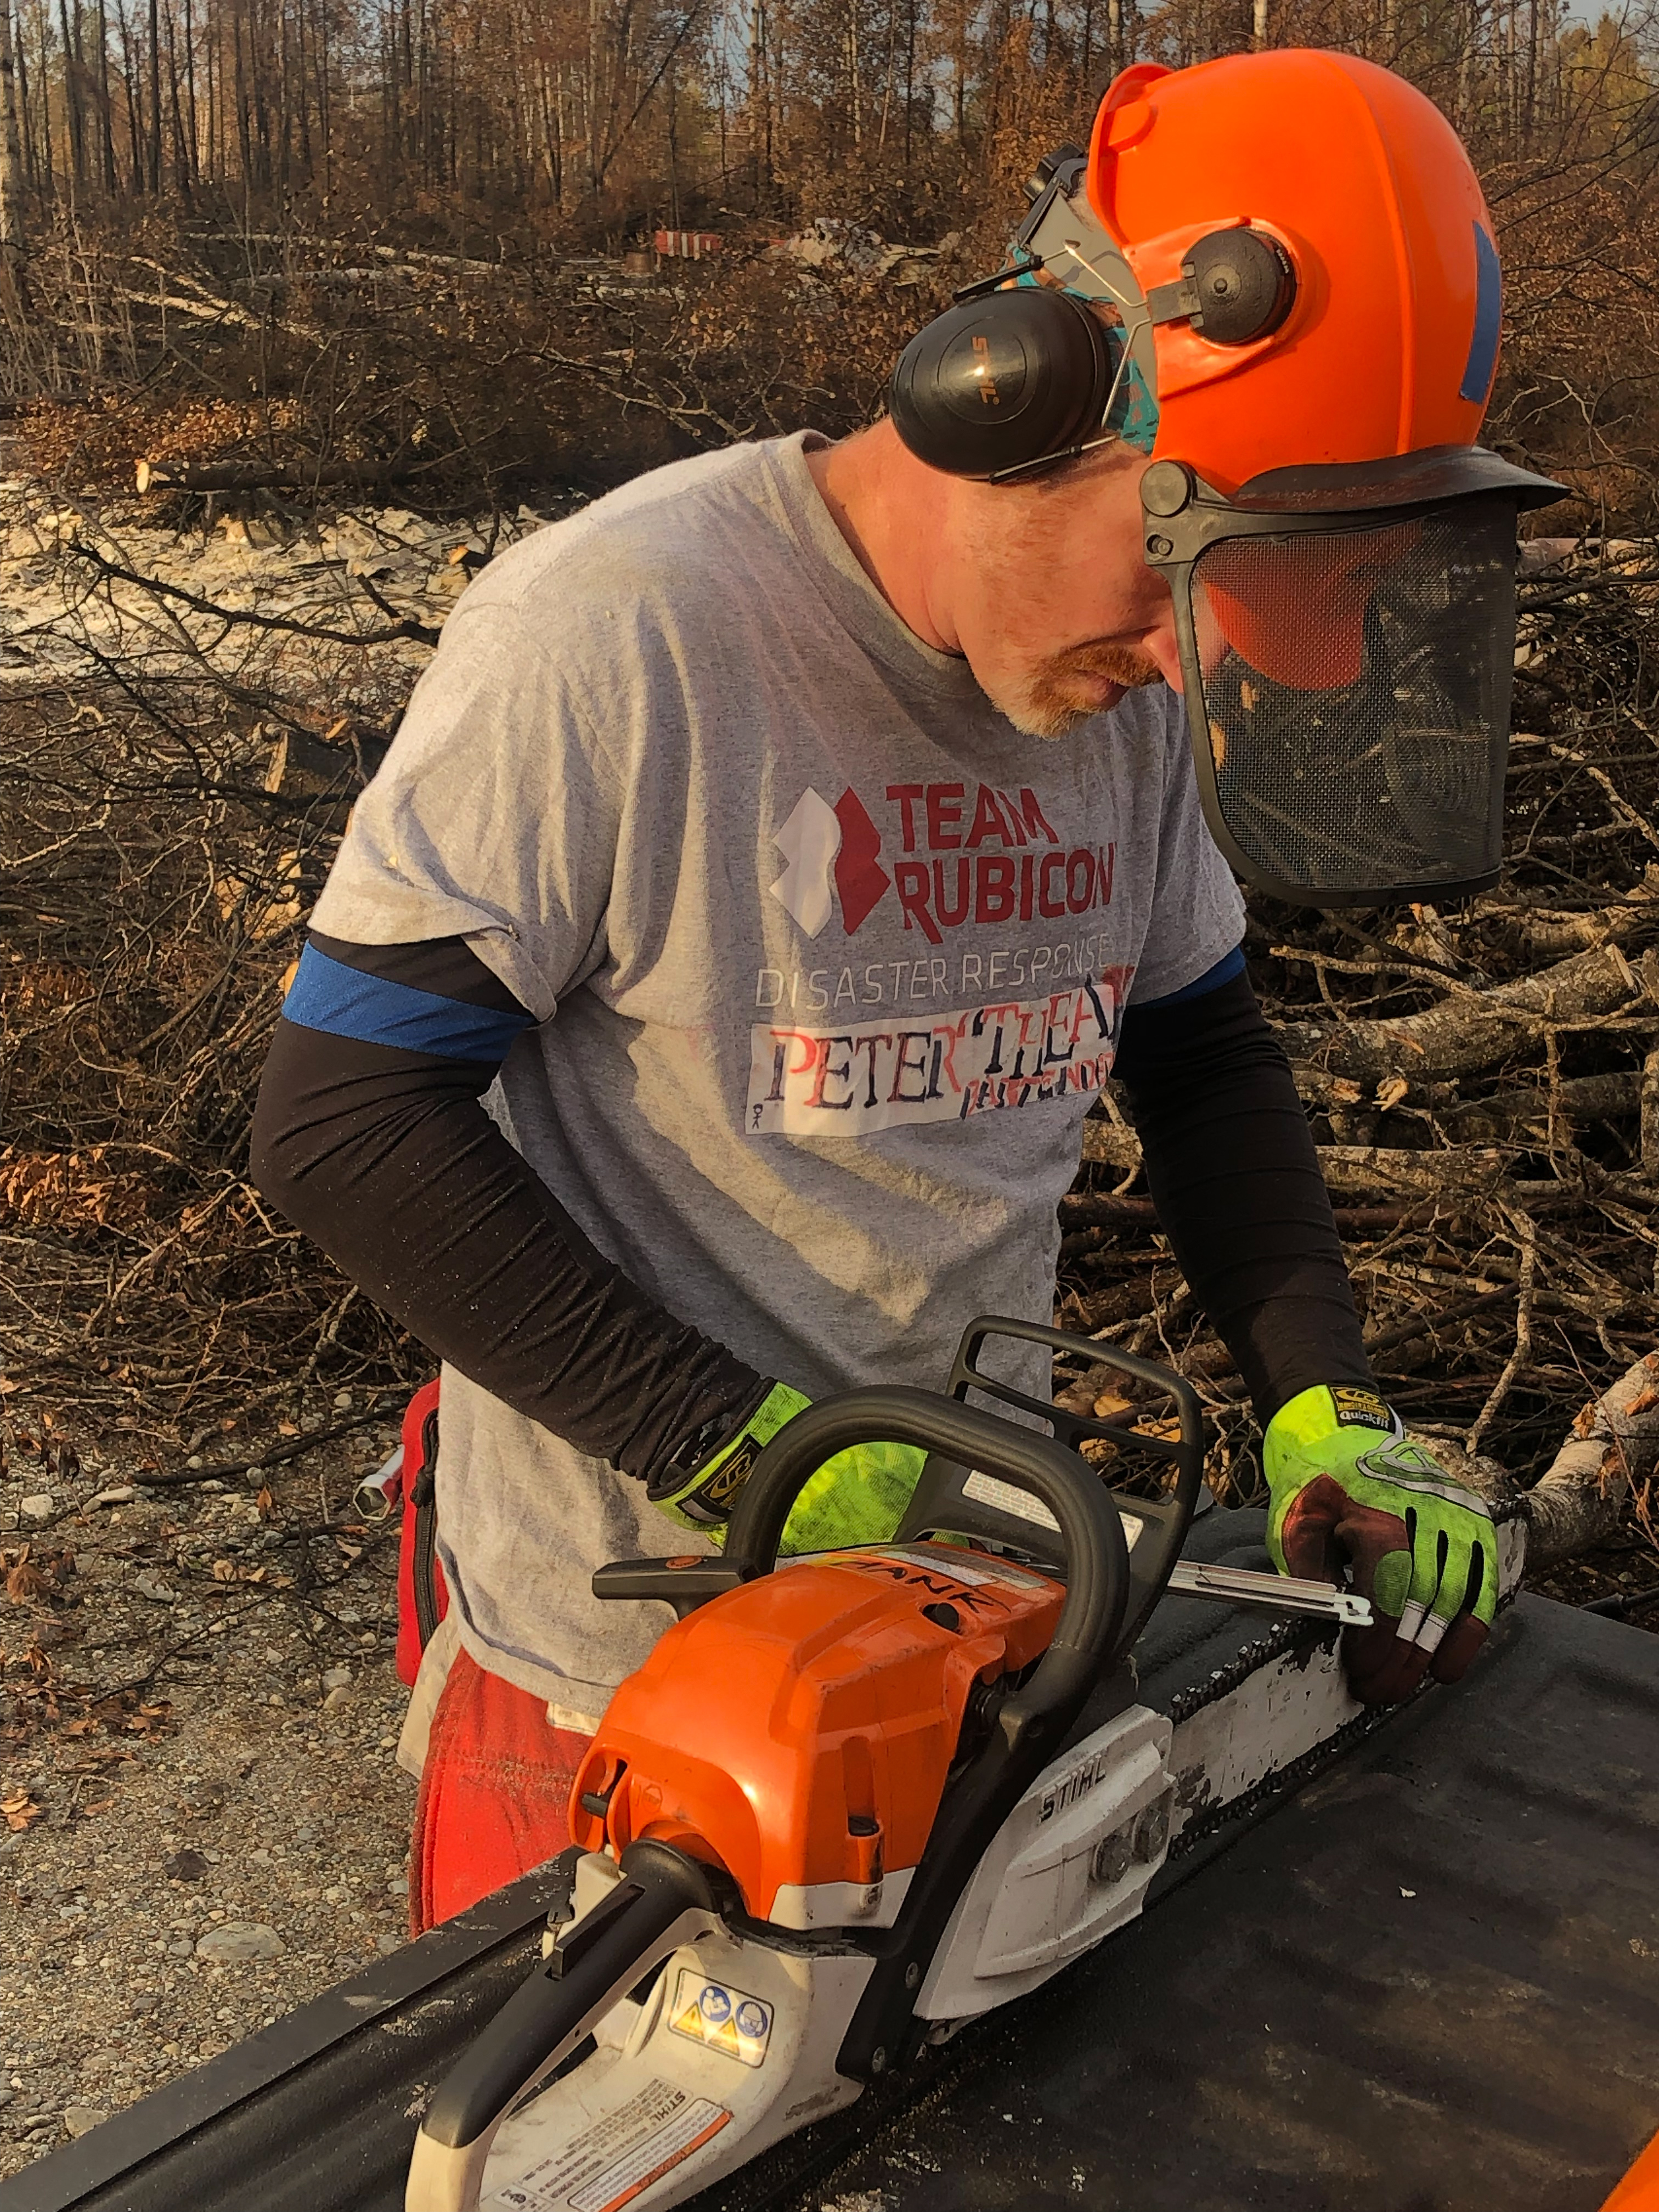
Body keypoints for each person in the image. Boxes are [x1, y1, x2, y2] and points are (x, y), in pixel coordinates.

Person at [251, 47, 1557, 1931]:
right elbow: (344, 1117)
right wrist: (750, 1453)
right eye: (1169, 581)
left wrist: (1323, 1408)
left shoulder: (1121, 677)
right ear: (1014, 400)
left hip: (970, 1617)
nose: (1181, 667)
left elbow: (1201, 1056)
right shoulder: (628, 631)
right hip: (623, 1673)